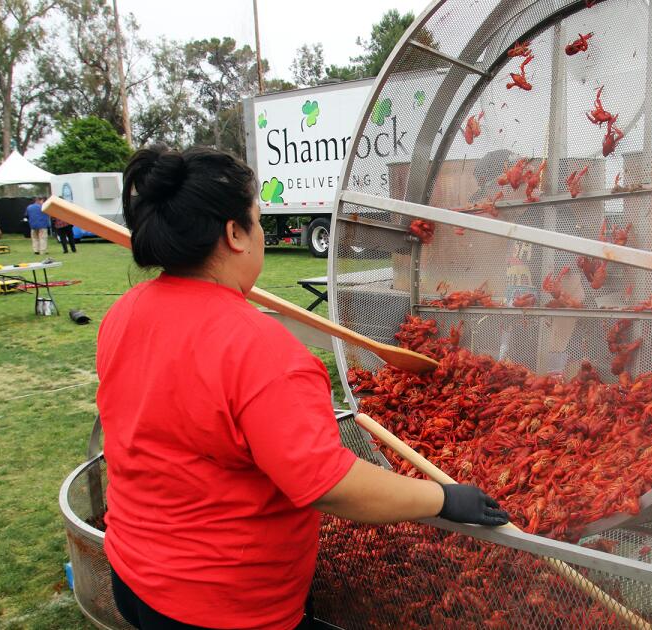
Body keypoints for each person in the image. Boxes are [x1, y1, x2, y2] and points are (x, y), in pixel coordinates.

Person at [98, 146, 509, 630]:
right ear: (234, 234)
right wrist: (443, 499)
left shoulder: (125, 312)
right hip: (221, 607)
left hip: (131, 573)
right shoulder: (261, 350)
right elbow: (331, 485)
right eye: (256, 221)